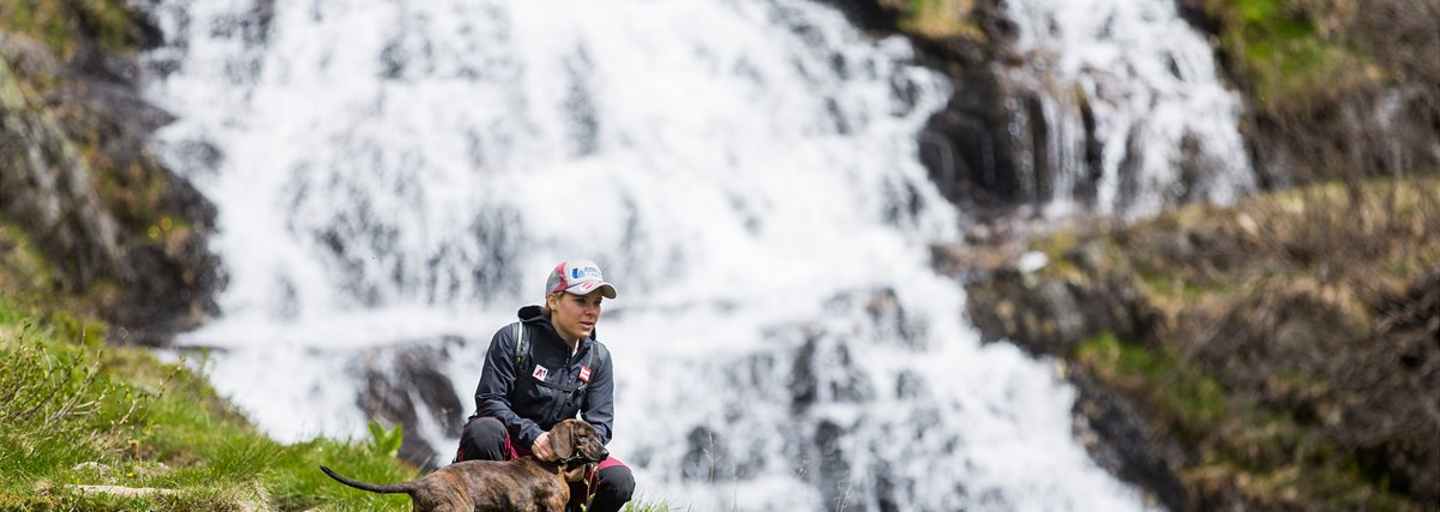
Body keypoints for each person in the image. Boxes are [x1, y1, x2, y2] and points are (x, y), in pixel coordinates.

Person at [455, 259, 634, 511]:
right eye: (581, 301)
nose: (591, 311)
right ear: (553, 301)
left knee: (619, 480)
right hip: (511, 448)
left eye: (597, 303)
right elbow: (490, 401)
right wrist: (534, 436)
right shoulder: (513, 338)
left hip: (563, 456)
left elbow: (601, 425)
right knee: (483, 431)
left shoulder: (599, 357)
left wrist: (576, 458)